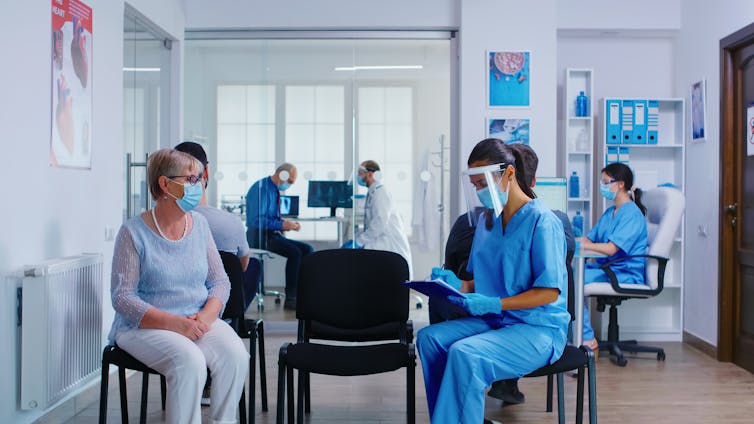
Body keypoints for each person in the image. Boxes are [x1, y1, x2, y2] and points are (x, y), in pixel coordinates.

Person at [417, 138, 569, 424]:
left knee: (466, 354)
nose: (479, 191)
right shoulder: (486, 222)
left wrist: (494, 303)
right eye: (475, 185)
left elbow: (548, 293)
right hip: (497, 320)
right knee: (429, 339)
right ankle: (454, 418)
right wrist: (455, 283)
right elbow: (479, 283)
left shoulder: (543, 221)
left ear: (509, 174)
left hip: (537, 328)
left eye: (483, 183)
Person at [108, 148, 248, 424]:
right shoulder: (132, 232)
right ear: (165, 184)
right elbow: (123, 298)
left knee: (236, 356)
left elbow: (220, 281)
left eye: (199, 179)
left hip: (196, 317)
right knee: (190, 362)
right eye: (191, 179)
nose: (198, 186)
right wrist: (175, 323)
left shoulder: (200, 225)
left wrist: (206, 317)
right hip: (144, 325)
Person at [578, 162, 648, 352]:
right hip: (607, 269)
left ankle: (586, 339)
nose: (603, 186)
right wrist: (566, 240)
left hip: (623, 273)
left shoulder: (632, 214)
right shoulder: (610, 212)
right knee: (568, 274)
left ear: (621, 184)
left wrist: (582, 245)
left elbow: (610, 249)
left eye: (606, 182)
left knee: (573, 282)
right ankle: (574, 338)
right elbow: (588, 239)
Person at [246, 163, 313, 310]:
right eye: (290, 181)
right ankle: (291, 299)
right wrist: (282, 226)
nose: (289, 185)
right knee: (295, 254)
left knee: (308, 249)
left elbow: (271, 218)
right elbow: (255, 220)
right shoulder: (262, 189)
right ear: (282, 175)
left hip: (272, 234)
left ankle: (303, 294)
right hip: (259, 235)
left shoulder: (273, 189)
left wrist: (286, 224)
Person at [352, 160, 413, 275]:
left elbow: (379, 223)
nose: (358, 177)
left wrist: (359, 241)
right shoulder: (373, 192)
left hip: (389, 244)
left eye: (360, 173)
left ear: (370, 174)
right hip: (380, 242)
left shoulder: (381, 193)